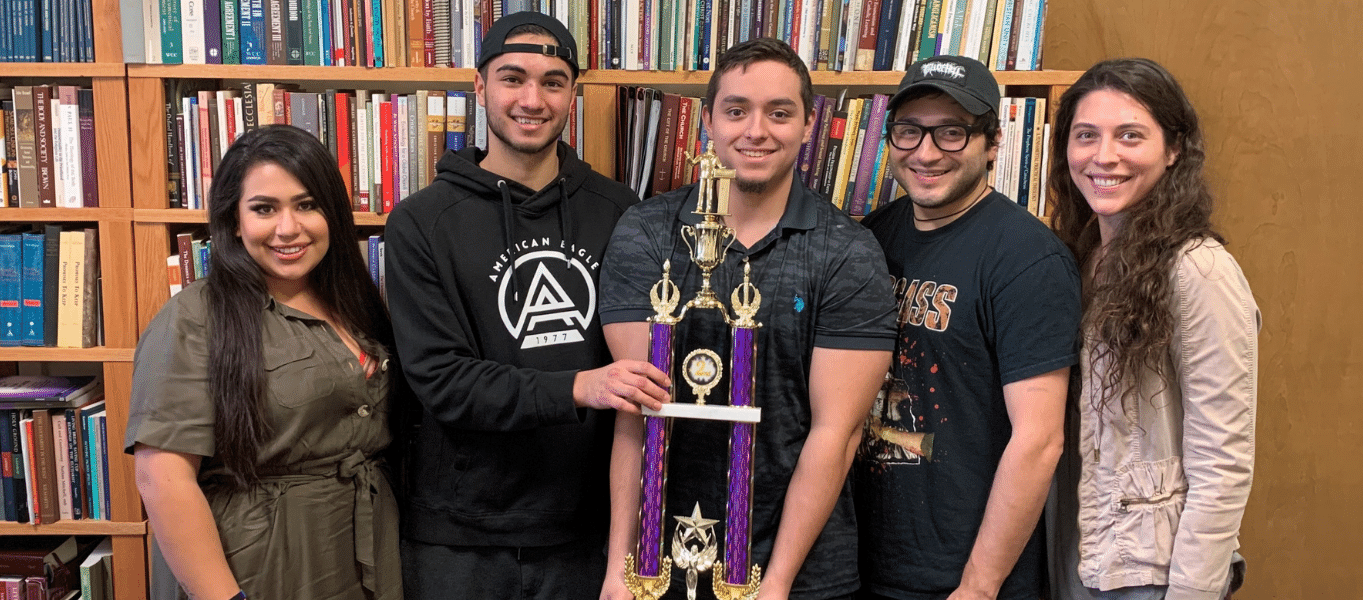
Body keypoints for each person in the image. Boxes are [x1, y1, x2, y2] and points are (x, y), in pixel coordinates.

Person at [384, 11, 671, 600]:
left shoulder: (621, 211)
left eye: (554, 81)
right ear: (480, 86)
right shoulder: (419, 222)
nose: (532, 99)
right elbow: (442, 381)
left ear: (573, 95)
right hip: (459, 539)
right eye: (513, 78)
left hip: (587, 538)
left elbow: (644, 370)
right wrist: (579, 386)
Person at [599, 38, 898, 600]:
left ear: (808, 124)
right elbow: (636, 414)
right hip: (659, 565)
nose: (755, 131)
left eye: (779, 113)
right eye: (736, 110)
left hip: (801, 573)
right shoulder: (644, 233)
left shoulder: (848, 252)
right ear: (707, 120)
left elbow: (836, 433)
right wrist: (622, 565)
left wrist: (776, 583)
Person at [127, 124, 403, 600]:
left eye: (306, 205)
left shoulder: (355, 302)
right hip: (258, 568)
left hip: (362, 554)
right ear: (234, 220)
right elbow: (163, 478)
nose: (288, 228)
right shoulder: (194, 318)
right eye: (264, 209)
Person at [853, 55, 1082, 600]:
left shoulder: (1027, 258)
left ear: (993, 143)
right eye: (909, 132)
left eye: (951, 133)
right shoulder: (871, 239)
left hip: (963, 576)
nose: (926, 153)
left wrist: (978, 586)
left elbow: (1040, 440)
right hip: (862, 560)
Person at [1044, 58, 1258, 600]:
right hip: (1087, 553)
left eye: (1130, 136)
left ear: (1173, 149)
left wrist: (1191, 593)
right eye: (1086, 135)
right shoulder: (1082, 255)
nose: (1104, 156)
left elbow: (1223, 458)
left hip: (1154, 573)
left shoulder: (1199, 269)